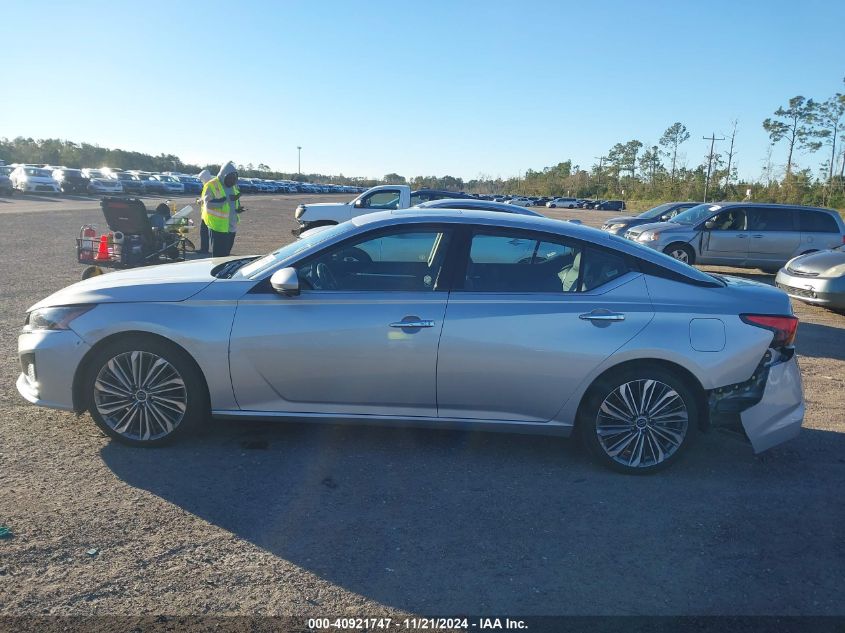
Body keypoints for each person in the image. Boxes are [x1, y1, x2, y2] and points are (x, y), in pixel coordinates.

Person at [200, 162, 242, 257]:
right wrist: (226, 200)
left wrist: (238, 209)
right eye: (230, 178)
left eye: (234, 179)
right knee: (219, 257)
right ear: (224, 175)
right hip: (218, 227)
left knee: (226, 256)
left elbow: (234, 201)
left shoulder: (233, 186)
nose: (232, 181)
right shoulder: (211, 185)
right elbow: (209, 205)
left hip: (231, 226)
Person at [196, 169, 213, 254]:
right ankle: (204, 248)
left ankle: (204, 249)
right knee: (205, 233)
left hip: (209, 214)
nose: (201, 181)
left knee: (204, 233)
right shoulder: (210, 184)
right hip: (207, 214)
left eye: (201, 179)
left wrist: (199, 201)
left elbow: (207, 199)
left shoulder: (209, 185)